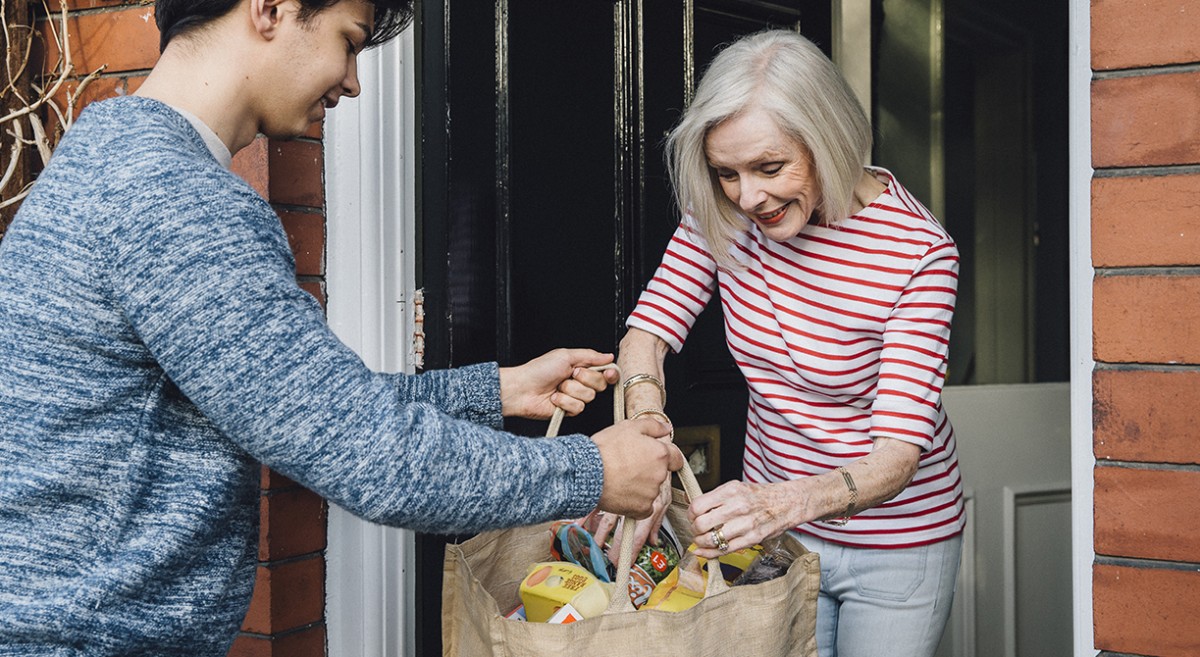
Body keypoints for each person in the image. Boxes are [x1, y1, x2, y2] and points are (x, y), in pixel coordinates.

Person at [0, 0, 683, 653]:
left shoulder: (112, 155)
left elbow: (308, 404)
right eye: (349, 42)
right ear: (270, 9)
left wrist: (495, 391)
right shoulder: (177, 200)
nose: (353, 83)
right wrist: (592, 469)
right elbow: (368, 453)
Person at [610, 30, 964, 657]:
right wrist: (646, 434)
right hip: (775, 532)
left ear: (828, 138)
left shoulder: (917, 254)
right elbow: (649, 333)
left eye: (770, 168)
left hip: (897, 541)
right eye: (727, 173)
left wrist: (782, 505)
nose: (749, 197)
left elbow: (898, 456)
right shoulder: (724, 214)